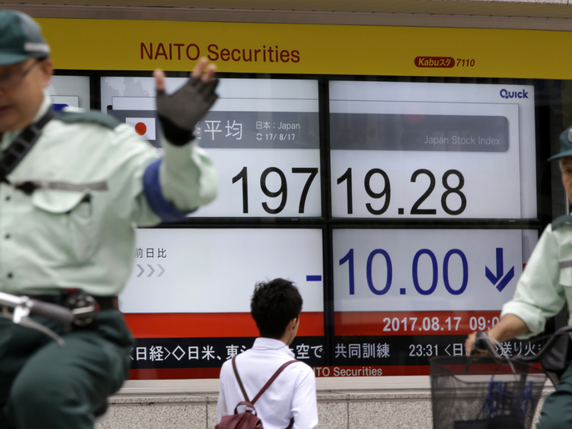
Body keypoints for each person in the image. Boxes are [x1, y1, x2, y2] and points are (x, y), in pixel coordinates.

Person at [0, 10, 218, 429]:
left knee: (43, 395)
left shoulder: (97, 141)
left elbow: (174, 197)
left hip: (76, 329)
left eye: (9, 74)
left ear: (45, 71)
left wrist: (177, 142)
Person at [465, 125, 572, 428]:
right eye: (567, 170)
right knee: (557, 422)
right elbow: (531, 305)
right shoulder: (561, 235)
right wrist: (494, 336)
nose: (571, 179)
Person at [216, 278, 319, 429]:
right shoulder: (300, 373)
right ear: (292, 323)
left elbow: (224, 420)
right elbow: (307, 426)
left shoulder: (229, 367)